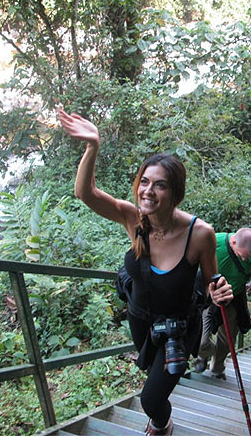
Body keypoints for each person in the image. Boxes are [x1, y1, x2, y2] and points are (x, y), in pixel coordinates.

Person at [58, 109, 233, 436]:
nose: (148, 191)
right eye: (145, 182)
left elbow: (211, 282)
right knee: (151, 376)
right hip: (140, 320)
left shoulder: (200, 233)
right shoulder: (134, 219)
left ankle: (162, 425)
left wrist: (219, 290)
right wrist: (92, 146)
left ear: (176, 193)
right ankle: (159, 416)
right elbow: (85, 194)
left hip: (179, 328)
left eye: (160, 185)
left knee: (151, 398)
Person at [194, 228, 251, 379]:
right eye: (241, 256)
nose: (245, 260)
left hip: (234, 296)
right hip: (210, 295)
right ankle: (205, 353)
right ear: (233, 242)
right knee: (200, 339)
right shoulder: (213, 243)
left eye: (248, 257)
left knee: (227, 339)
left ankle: (217, 368)